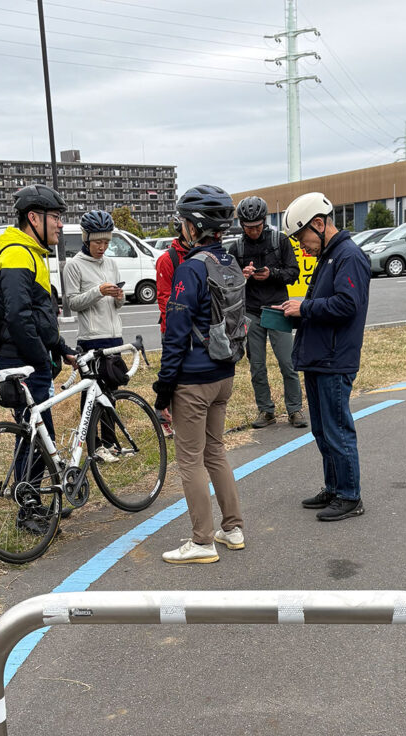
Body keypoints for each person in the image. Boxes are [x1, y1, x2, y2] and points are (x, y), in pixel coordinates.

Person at [152, 185, 245, 564]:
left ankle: (202, 541)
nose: (181, 227)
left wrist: (162, 390)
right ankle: (233, 528)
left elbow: (175, 333)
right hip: (224, 373)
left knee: (190, 460)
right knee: (216, 451)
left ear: (194, 226)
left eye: (184, 222)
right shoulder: (230, 263)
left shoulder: (190, 269)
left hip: (193, 379)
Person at [275, 192, 371, 522]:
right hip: (319, 356)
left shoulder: (348, 256)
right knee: (322, 430)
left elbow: (348, 305)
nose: (302, 247)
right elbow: (323, 307)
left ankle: (349, 495)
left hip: (334, 358)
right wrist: (295, 311)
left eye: (302, 238)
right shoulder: (329, 256)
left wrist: (305, 306)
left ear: (319, 223)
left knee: (337, 429)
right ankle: (333, 487)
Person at [0, 183, 76, 524]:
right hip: (23, 361)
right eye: (55, 217)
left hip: (30, 358)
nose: (59, 224)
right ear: (33, 217)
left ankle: (34, 501)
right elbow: (17, 316)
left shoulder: (30, 252)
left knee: (38, 434)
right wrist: (41, 358)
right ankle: (28, 511)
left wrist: (61, 348)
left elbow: (40, 318)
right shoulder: (16, 253)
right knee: (38, 437)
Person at [228, 195, 307, 429]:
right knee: (257, 366)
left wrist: (270, 273)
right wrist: (241, 276)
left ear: (265, 221)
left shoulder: (279, 241)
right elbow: (230, 282)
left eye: (257, 226)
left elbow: (294, 273)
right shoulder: (236, 247)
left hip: (278, 309)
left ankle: (295, 409)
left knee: (287, 363)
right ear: (241, 224)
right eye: (248, 227)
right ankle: (266, 410)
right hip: (251, 312)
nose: (253, 231)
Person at [63, 209, 125, 462]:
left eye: (107, 242)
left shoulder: (111, 263)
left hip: (114, 337)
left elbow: (118, 304)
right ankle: (92, 444)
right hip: (91, 338)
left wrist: (119, 297)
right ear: (85, 239)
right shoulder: (74, 266)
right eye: (98, 241)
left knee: (110, 393)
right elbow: (73, 303)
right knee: (91, 395)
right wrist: (98, 291)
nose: (102, 247)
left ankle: (110, 442)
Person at [153, 219, 190, 437]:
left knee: (187, 377)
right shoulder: (167, 259)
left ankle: (180, 418)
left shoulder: (200, 255)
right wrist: (179, 325)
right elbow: (164, 298)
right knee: (171, 373)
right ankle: (162, 416)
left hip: (195, 329)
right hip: (172, 328)